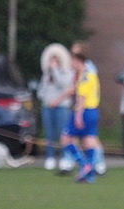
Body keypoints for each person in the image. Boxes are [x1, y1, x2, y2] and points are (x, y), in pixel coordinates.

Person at [58, 41, 106, 176]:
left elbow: (82, 96)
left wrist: (78, 115)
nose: (71, 59)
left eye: (74, 55)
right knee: (88, 140)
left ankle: (87, 165)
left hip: (84, 110)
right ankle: (90, 167)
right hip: (91, 110)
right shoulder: (86, 73)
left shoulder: (86, 73)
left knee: (68, 139)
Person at [37, 44, 74, 171]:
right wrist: (45, 99)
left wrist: (55, 71)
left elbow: (63, 85)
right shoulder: (47, 75)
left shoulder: (67, 73)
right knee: (49, 133)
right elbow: (41, 90)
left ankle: (65, 158)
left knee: (62, 133)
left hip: (62, 107)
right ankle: (50, 157)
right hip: (48, 107)